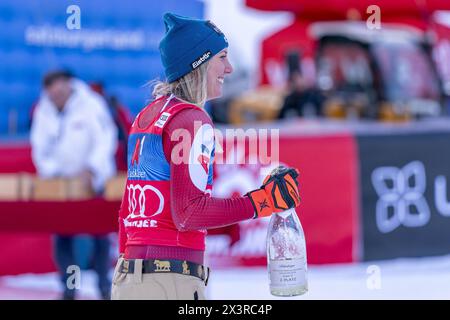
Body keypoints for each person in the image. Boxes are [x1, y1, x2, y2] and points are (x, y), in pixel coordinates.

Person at [111, 13, 301, 300]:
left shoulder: (148, 116)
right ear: (198, 63)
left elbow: (128, 213)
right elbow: (189, 214)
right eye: (222, 57)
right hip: (168, 280)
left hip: (133, 278)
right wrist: (262, 202)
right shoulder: (192, 119)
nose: (230, 68)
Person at [30, 70, 118, 300]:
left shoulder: (91, 104)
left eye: (59, 90)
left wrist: (92, 169)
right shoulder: (43, 110)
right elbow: (39, 148)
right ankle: (69, 288)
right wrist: (53, 173)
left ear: (69, 85)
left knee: (100, 236)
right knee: (63, 237)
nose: (56, 95)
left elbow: (105, 138)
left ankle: (103, 287)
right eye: (52, 92)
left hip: (92, 182)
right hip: (61, 184)